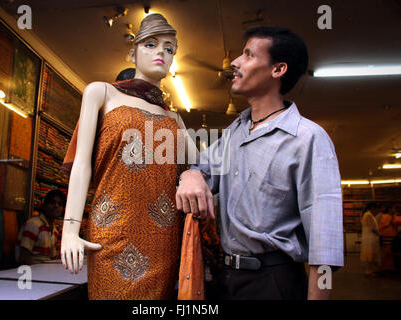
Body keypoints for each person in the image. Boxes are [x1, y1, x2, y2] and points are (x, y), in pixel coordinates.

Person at [176, 26, 344, 300]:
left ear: (278, 70)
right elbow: (201, 169)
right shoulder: (236, 131)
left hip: (274, 282)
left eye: (248, 55)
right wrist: (191, 176)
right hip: (227, 278)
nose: (235, 63)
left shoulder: (308, 138)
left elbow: (324, 243)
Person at [60, 13, 196, 300]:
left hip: (163, 238)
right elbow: (82, 164)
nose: (161, 52)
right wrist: (70, 229)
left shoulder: (175, 119)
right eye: (150, 44)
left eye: (169, 48)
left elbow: (198, 171)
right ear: (131, 52)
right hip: (110, 232)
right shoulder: (102, 92)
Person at [15, 189, 66, 265]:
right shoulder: (33, 225)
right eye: (52, 202)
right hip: (32, 272)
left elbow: (51, 257)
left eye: (60, 204)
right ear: (44, 206)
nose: (56, 206)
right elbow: (23, 258)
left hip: (45, 271)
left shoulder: (54, 230)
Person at [360, 203, 381, 276]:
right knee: (370, 256)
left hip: (371, 238)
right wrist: (379, 234)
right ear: (372, 208)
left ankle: (372, 269)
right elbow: (372, 228)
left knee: (371, 255)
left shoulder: (369, 215)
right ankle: (369, 270)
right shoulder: (368, 215)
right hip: (370, 238)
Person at [379, 205, 397, 271]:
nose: (395, 210)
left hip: (390, 237)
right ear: (390, 209)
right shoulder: (386, 216)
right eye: (394, 208)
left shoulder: (389, 216)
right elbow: (383, 226)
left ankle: (390, 266)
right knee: (388, 252)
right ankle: (387, 266)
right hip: (388, 238)